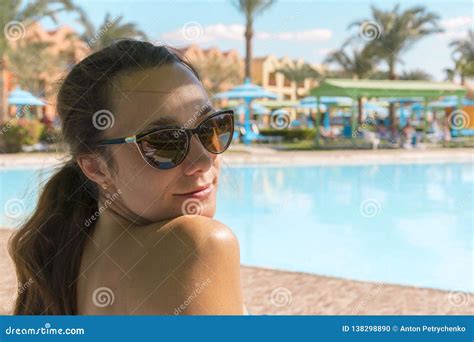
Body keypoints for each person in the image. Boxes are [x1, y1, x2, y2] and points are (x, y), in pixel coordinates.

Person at [9, 40, 248, 315]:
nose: (203, 160)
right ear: (97, 168)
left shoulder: (75, 260)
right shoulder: (197, 245)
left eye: (211, 127)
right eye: (164, 142)